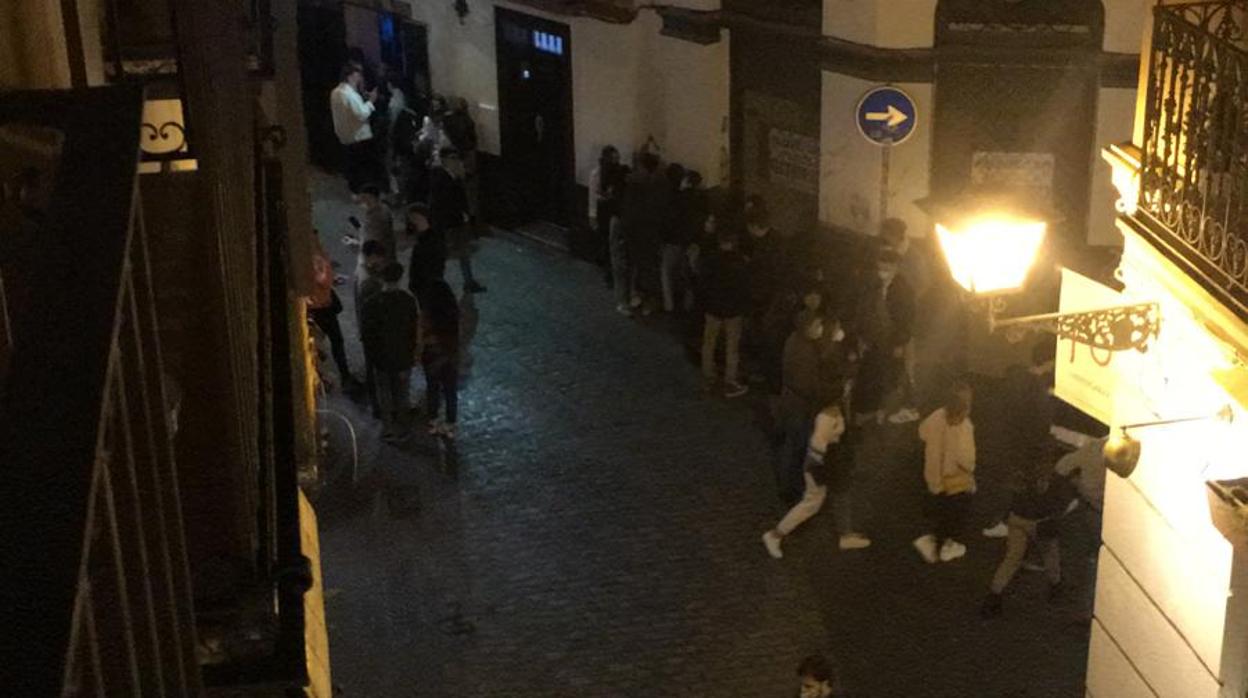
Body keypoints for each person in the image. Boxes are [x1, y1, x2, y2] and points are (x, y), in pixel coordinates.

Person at [763, 403, 870, 558]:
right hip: (823, 464)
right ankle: (775, 535)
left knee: (841, 493)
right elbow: (817, 448)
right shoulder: (826, 416)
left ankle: (846, 535)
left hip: (829, 461)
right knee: (812, 503)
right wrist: (823, 472)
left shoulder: (833, 410)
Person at [983, 340, 1059, 538]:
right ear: (1050, 362)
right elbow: (1041, 427)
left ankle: (997, 520)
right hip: (1021, 447)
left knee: (1002, 482)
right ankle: (1005, 521)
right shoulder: (1038, 391)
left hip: (1002, 440)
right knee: (1014, 487)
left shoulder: (1015, 378)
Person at [981, 465, 1078, 618]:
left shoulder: (1023, 479)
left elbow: (1011, 500)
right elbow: (1064, 506)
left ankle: (994, 597)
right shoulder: (1057, 484)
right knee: (1050, 556)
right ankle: (1056, 588)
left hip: (1017, 519)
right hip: (1040, 524)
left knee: (1012, 558)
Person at [775, 313, 843, 504]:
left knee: (793, 446)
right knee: (796, 447)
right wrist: (835, 390)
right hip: (799, 407)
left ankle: (790, 483)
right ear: (807, 327)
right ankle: (790, 488)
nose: (820, 329)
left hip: (792, 403)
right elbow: (808, 386)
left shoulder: (796, 342)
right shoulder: (803, 352)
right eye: (817, 325)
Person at [913, 381, 977, 564]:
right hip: (954, 478)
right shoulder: (964, 426)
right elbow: (966, 458)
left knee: (938, 509)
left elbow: (922, 432)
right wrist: (971, 470)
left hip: (933, 475)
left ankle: (931, 541)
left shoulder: (937, 415)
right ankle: (948, 546)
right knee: (956, 513)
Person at [360, 261, 420, 441]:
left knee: (384, 394)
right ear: (400, 277)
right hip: (403, 356)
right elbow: (413, 329)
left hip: (381, 358)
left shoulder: (371, 303)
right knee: (402, 393)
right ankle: (403, 428)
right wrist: (414, 353)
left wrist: (372, 356)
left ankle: (388, 429)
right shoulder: (408, 301)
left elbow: (367, 334)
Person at [698, 227, 750, 398]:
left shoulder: (710, 260)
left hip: (713, 309)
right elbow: (744, 288)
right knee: (732, 347)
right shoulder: (740, 262)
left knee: (709, 343)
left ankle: (707, 377)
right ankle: (730, 380)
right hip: (733, 311)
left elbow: (703, 284)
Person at [618, 151, 669, 314]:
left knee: (631, 266)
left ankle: (632, 298)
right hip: (651, 231)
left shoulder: (633, 184)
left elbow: (628, 211)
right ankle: (649, 300)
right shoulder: (661, 185)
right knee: (649, 267)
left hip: (636, 231)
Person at [430, 147, 486, 293]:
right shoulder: (439, 177)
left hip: (457, 222)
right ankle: (437, 284)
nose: (456, 162)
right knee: (445, 254)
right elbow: (442, 202)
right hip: (447, 224)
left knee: (463, 252)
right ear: (444, 160)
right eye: (452, 158)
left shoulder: (456, 176)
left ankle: (469, 282)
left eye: (457, 158)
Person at [308, 234, 356, 390]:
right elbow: (324, 280)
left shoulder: (310, 253)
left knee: (320, 342)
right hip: (322, 307)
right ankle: (342, 376)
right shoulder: (315, 256)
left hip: (313, 307)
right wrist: (328, 271)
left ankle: (325, 375)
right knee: (335, 342)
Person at [330, 63, 381, 194]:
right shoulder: (348, 94)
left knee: (353, 172)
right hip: (359, 138)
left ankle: (356, 194)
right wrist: (371, 102)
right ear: (351, 76)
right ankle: (365, 196)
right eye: (358, 75)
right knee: (362, 173)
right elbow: (361, 114)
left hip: (345, 138)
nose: (360, 78)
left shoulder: (335, 92)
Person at [421, 279, 461, 439]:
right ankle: (450, 423)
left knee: (432, 388)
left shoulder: (428, 313)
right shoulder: (453, 313)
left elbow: (423, 332)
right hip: (449, 355)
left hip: (431, 354)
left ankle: (433, 419)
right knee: (450, 390)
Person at [589, 146, 625, 286]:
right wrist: (592, 215)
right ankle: (609, 272)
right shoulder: (597, 174)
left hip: (614, 210)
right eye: (614, 158)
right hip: (604, 211)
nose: (616, 161)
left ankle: (612, 272)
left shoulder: (618, 172)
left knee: (613, 243)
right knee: (606, 242)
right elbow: (593, 196)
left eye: (617, 158)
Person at [658, 162, 689, 313]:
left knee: (666, 274)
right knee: (682, 273)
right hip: (683, 239)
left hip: (669, 240)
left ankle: (669, 306)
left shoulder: (664, 196)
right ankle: (684, 305)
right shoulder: (684, 197)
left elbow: (663, 220)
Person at [442, 97, 480, 223]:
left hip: (457, 154)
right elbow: (472, 139)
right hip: (467, 154)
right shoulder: (468, 120)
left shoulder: (449, 120)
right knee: (469, 186)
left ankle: (462, 211)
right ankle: (471, 212)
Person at [405, 203, 445, 299]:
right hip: (422, 286)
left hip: (428, 285)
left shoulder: (432, 239)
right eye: (411, 219)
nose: (413, 222)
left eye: (415, 218)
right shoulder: (421, 238)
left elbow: (433, 264)